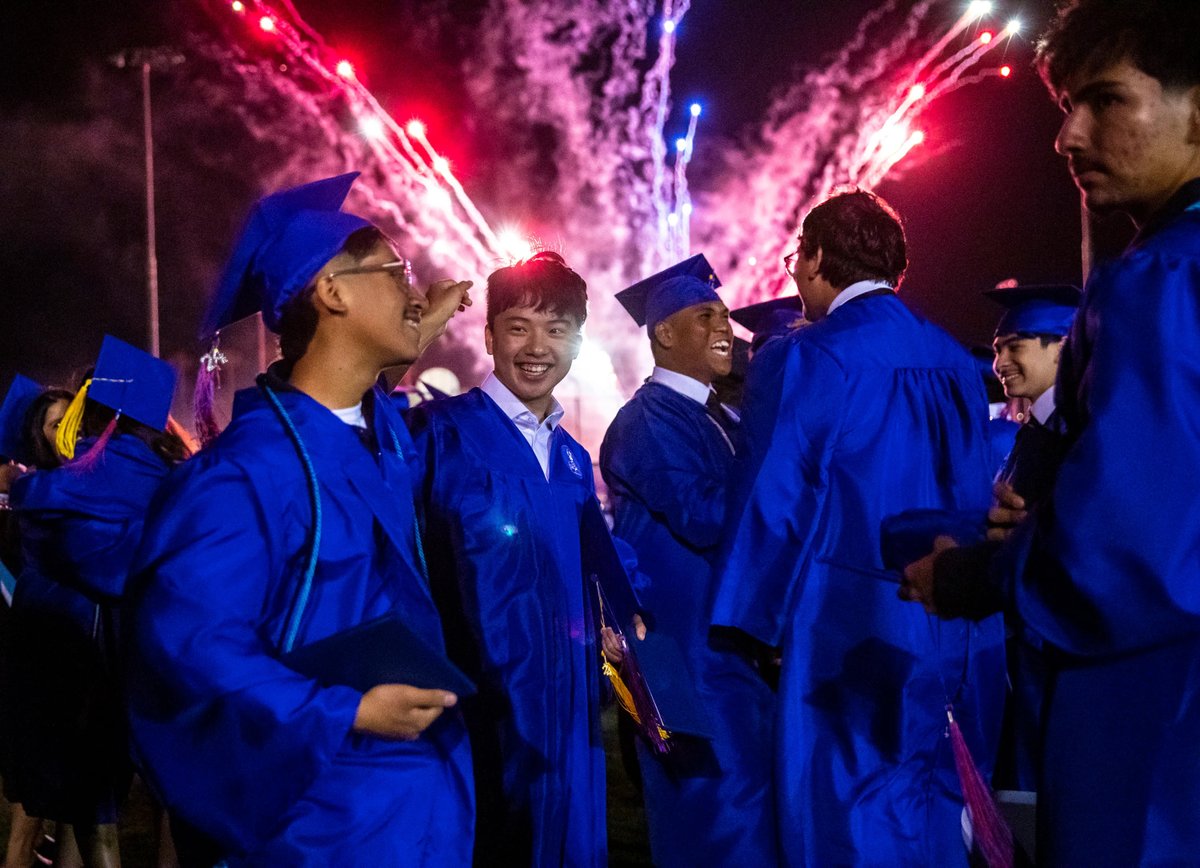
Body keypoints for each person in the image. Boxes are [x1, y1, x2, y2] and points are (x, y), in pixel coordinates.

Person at [901, 1, 1200, 861]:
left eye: (1105, 100)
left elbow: (1135, 546)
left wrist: (985, 572)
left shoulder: (1163, 276)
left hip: (1156, 713)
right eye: (1066, 104)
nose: (1067, 135)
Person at [125, 173, 475, 866]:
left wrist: (412, 333)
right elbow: (191, 646)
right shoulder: (243, 476)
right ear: (332, 291)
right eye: (395, 270)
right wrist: (345, 711)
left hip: (415, 806)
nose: (416, 289)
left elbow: (357, 423)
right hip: (316, 820)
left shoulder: (374, 441)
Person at [712, 188, 1006, 865]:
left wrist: (749, 622)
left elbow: (780, 495)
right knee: (934, 797)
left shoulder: (813, 354)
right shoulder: (956, 360)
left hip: (849, 616)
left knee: (841, 806)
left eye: (796, 258)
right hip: (950, 605)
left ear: (815, 259)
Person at [407, 251, 611, 866]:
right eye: (518, 326)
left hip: (568, 708)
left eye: (556, 330)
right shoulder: (436, 432)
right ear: (489, 334)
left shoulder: (574, 459)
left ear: (578, 341)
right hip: (477, 701)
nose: (537, 346)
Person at [599, 256, 777, 867]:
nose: (726, 325)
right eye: (706, 316)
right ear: (664, 334)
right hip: (684, 654)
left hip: (727, 650)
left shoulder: (717, 414)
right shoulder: (646, 420)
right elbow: (704, 515)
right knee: (713, 821)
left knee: (746, 814)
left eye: (725, 313)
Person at [6, 336, 189, 868]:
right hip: (158, 657)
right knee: (171, 806)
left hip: (72, 660)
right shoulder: (182, 483)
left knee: (90, 817)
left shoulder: (52, 491)